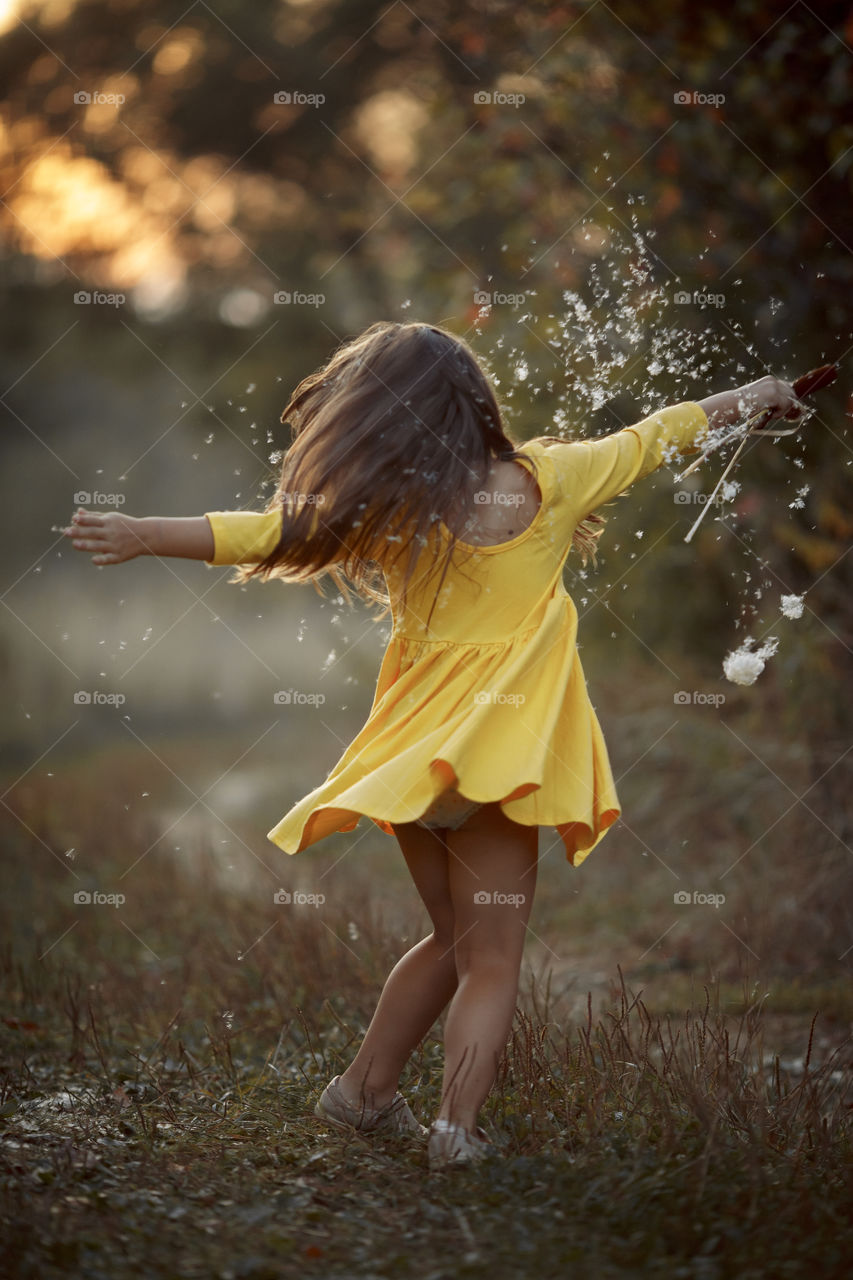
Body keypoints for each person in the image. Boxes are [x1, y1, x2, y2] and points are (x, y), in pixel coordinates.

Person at [65, 320, 804, 1170]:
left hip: (415, 769)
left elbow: (268, 531)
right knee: (491, 958)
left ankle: (361, 1094)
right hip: (493, 770)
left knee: (454, 942)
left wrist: (144, 532)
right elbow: (658, 433)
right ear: (477, 402)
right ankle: (456, 1130)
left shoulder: (391, 510)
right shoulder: (553, 479)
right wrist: (753, 397)